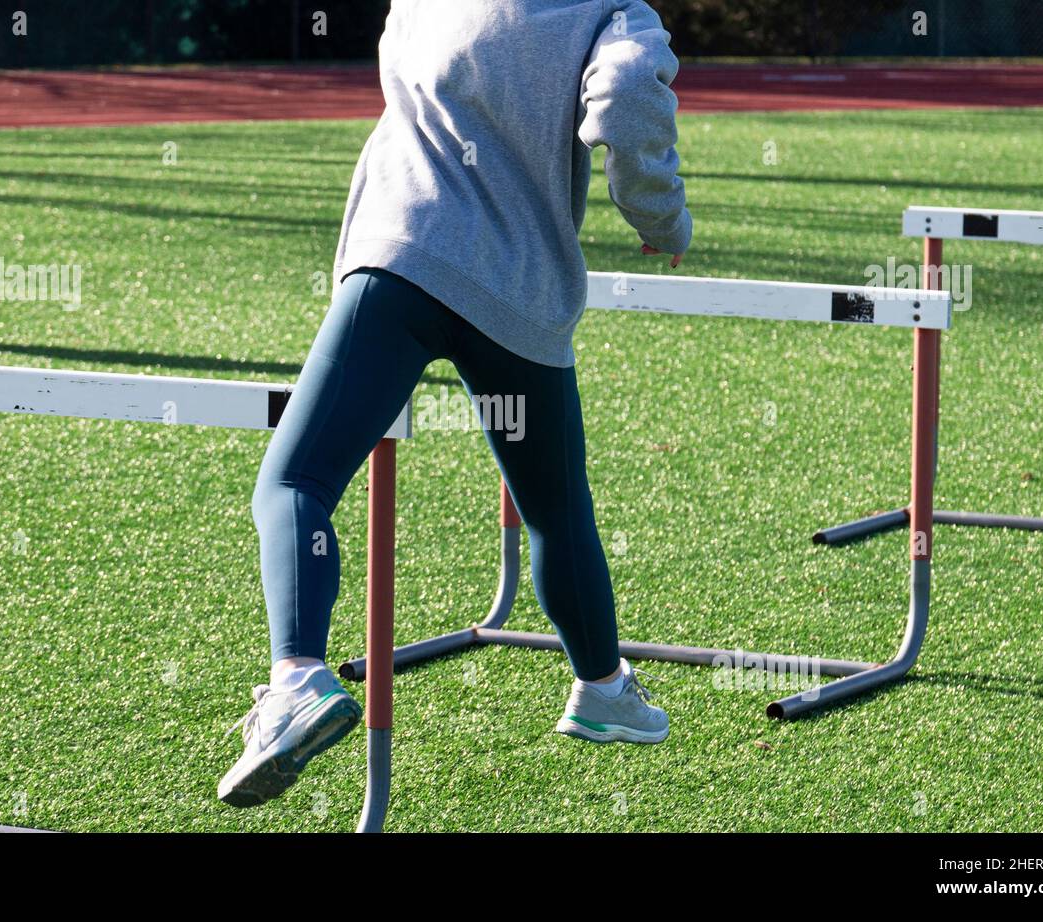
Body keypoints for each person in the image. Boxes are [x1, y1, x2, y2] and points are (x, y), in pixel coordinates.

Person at [219, 0, 692, 808]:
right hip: (518, 289)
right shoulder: (614, 11)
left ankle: (297, 674)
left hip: (400, 260)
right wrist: (660, 215)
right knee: (555, 510)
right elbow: (625, 98)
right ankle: (603, 688)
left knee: (296, 483)